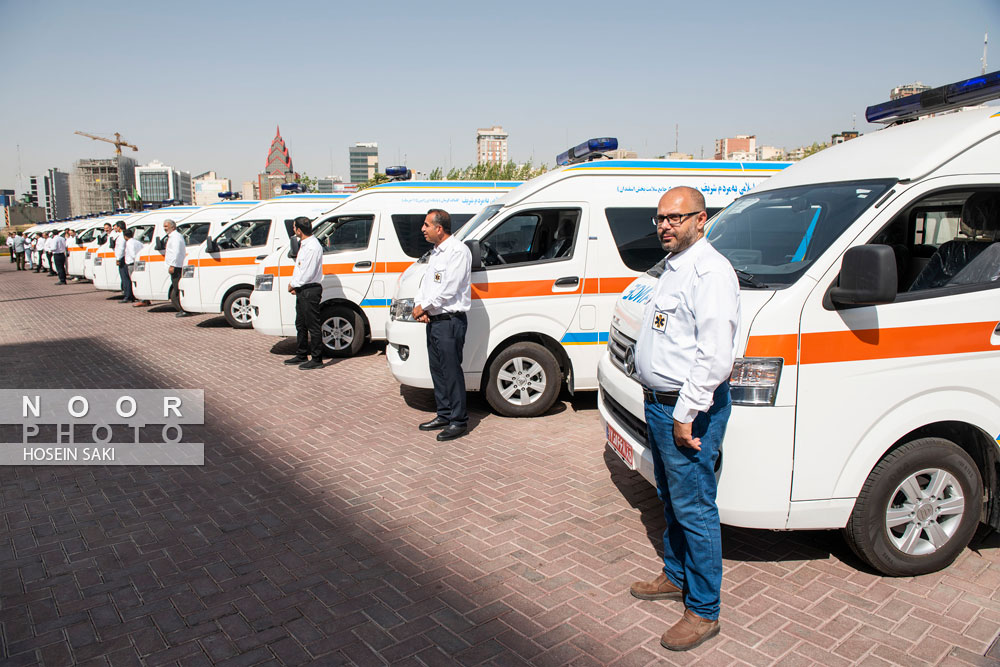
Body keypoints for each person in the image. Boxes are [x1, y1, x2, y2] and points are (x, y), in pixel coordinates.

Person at [629, 186, 740, 652]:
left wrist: (685, 413)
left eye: (676, 218)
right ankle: (676, 575)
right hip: (660, 402)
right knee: (671, 497)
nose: (665, 226)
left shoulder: (711, 272)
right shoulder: (674, 268)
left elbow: (716, 357)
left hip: (687, 409)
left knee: (695, 506)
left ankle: (704, 610)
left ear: (702, 219)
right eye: (660, 219)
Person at [411, 209, 472, 442]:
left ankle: (458, 421)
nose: (422, 229)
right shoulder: (436, 253)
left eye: (426, 225)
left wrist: (425, 307)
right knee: (438, 370)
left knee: (451, 372)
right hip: (435, 321)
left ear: (439, 228)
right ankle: (444, 414)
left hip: (450, 321)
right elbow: (426, 285)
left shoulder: (458, 251)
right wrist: (421, 306)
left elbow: (450, 288)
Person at [284, 217, 324, 370]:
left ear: (299, 230)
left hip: (310, 289)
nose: (293, 230)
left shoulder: (313, 247)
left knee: (313, 325)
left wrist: (293, 284)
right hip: (303, 288)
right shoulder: (304, 244)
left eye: (294, 227)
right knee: (300, 324)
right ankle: (301, 354)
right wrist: (296, 284)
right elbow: (300, 269)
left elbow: (308, 273)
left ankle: (316, 359)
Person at [163, 219, 191, 318]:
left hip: (177, 267)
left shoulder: (175, 237)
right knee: (176, 289)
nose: (164, 228)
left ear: (173, 227)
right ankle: (182, 308)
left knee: (177, 289)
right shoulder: (172, 237)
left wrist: (173, 265)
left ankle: (183, 309)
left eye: (166, 226)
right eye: (164, 226)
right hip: (175, 266)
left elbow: (176, 252)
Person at [121, 228, 143, 303]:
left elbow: (132, 253)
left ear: (125, 236)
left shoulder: (129, 243)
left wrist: (134, 259)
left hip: (131, 263)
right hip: (137, 262)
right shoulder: (137, 242)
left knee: (132, 281)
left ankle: (135, 297)